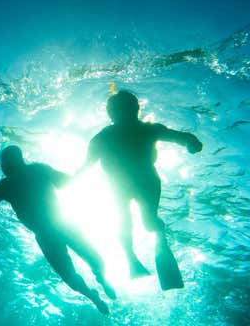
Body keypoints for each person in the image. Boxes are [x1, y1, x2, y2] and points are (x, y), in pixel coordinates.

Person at [0, 145, 115, 314]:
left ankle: (102, 279)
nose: (4, 166)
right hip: (49, 233)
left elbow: (65, 181)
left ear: (16, 160)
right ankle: (92, 295)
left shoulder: (34, 171)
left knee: (93, 261)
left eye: (5, 162)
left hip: (62, 225)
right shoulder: (5, 186)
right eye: (3, 162)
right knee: (71, 275)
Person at [81, 90, 202, 290]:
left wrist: (191, 142)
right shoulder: (119, 134)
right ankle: (136, 256)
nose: (124, 112)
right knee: (134, 220)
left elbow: (85, 166)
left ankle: (138, 255)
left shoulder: (112, 135)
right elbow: (181, 137)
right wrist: (191, 142)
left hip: (135, 182)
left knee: (134, 220)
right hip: (135, 182)